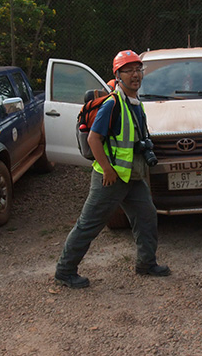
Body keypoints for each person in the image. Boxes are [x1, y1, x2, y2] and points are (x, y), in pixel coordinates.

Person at [54, 50, 170, 288]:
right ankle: (65, 271)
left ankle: (146, 263)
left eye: (138, 69)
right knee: (89, 224)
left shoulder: (136, 104)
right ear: (118, 76)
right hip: (110, 177)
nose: (135, 75)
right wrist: (107, 170)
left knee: (147, 216)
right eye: (129, 71)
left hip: (132, 176)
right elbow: (93, 140)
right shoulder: (112, 104)